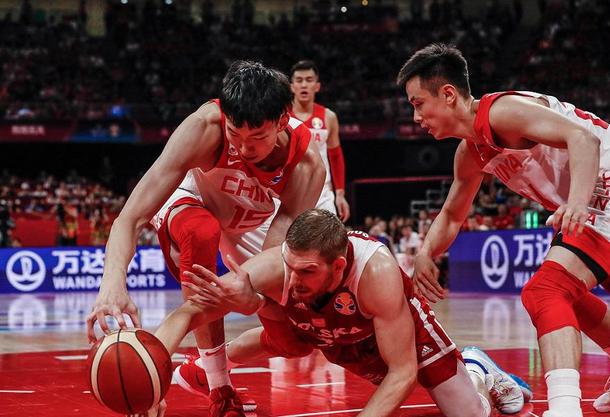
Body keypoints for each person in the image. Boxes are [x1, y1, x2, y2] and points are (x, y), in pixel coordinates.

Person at [398, 43, 610, 417]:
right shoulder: (471, 152)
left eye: (419, 103)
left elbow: (583, 140)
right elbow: (453, 214)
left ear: (449, 94)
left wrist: (577, 202)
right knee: (565, 293)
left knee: (545, 291)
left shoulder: (502, 112)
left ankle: (565, 408)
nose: (416, 116)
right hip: (599, 192)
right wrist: (426, 253)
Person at [86, 61, 326, 416]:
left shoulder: (306, 165)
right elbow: (130, 218)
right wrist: (112, 283)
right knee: (202, 232)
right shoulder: (203, 128)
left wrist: (253, 296)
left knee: (295, 339)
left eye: (257, 137)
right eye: (235, 134)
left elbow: (270, 263)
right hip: (191, 200)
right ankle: (218, 386)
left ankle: (198, 368)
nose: (244, 148)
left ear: (282, 120)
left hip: (250, 221)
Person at [152, 209, 531, 417]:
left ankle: (476, 367)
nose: (293, 280)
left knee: (470, 414)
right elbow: (187, 313)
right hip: (338, 336)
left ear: (337, 267)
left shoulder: (376, 273)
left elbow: (402, 371)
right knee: (286, 338)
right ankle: (203, 369)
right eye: (290, 267)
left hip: (403, 333)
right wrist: (152, 372)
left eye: (306, 272)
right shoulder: (276, 268)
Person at [289, 60, 350, 222]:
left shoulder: (329, 117)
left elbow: (335, 156)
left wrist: (340, 193)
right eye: (299, 80)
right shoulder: (282, 117)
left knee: (330, 236)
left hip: (322, 191)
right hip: (290, 190)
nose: (304, 85)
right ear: (292, 86)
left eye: (309, 80)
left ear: (317, 86)